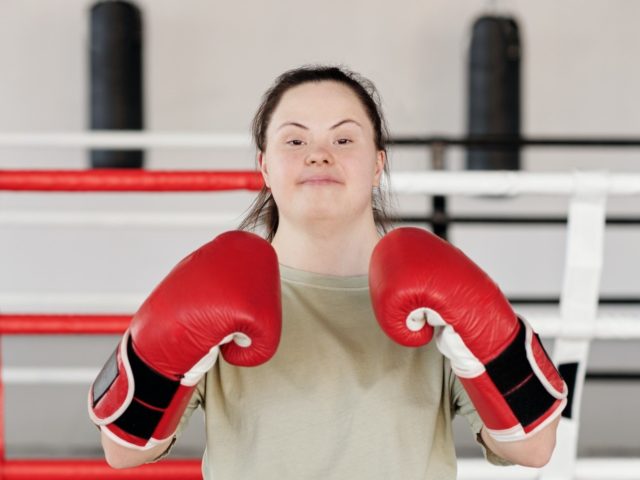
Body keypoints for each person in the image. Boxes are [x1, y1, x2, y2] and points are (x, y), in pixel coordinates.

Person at [90, 65, 566, 478]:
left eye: (343, 139)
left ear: (378, 164)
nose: (319, 155)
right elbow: (124, 452)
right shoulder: (223, 285)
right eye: (295, 140)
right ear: (264, 166)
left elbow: (532, 447)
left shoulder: (430, 294)